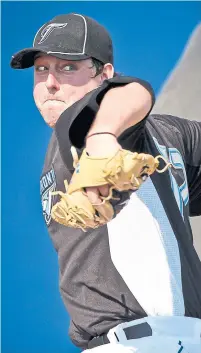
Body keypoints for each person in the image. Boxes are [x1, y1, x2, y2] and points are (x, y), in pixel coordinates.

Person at [11, 12, 201, 353]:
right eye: (42, 68)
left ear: (105, 75)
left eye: (68, 67)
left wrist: (101, 136)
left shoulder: (84, 122)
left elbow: (132, 92)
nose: (50, 81)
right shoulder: (166, 136)